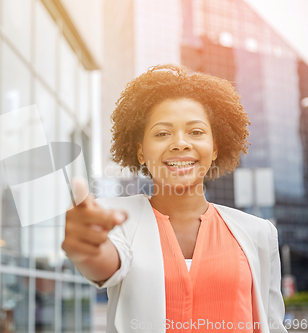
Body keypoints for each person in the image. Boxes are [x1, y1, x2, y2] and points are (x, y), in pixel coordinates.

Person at [62, 64, 287, 333]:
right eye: (162, 133)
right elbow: (106, 265)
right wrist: (90, 250)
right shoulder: (115, 217)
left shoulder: (259, 233)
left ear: (214, 147)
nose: (180, 143)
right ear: (141, 151)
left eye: (196, 132)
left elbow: (273, 325)